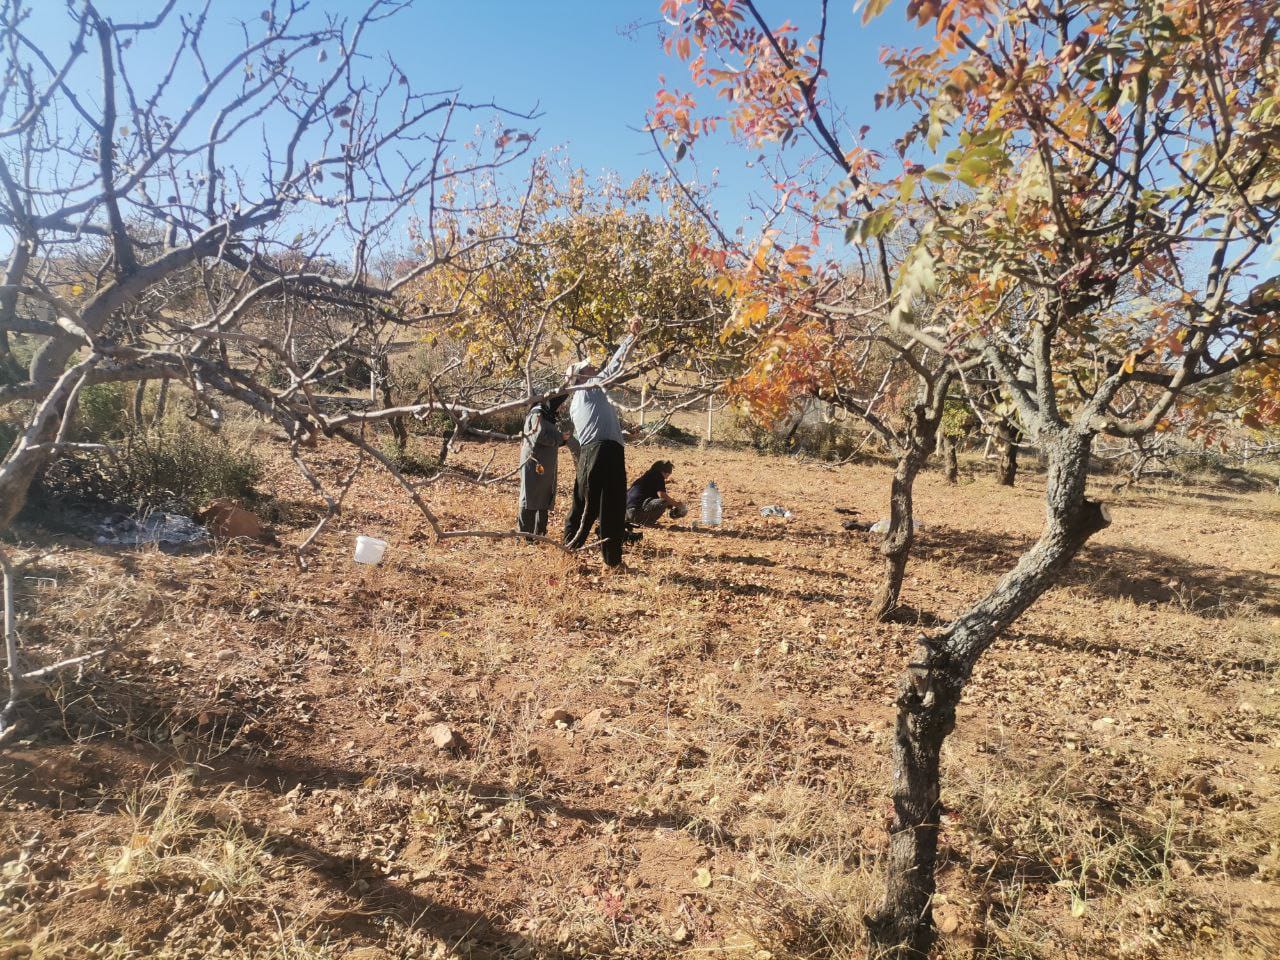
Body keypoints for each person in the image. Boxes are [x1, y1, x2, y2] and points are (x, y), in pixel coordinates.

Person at [562, 317, 642, 567]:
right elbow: (615, 366)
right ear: (579, 377)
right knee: (601, 507)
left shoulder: (587, 399)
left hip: (601, 451)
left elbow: (595, 427)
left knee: (597, 506)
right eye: (587, 368)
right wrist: (632, 337)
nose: (593, 369)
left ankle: (581, 553)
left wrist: (624, 436)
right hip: (601, 453)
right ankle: (586, 556)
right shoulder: (589, 389)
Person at [517, 395, 569, 536]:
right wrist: (559, 438)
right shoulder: (537, 413)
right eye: (561, 404)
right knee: (530, 497)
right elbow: (539, 436)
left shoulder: (547, 414)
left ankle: (539, 534)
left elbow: (547, 433)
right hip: (534, 462)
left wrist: (561, 438)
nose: (563, 407)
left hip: (544, 464)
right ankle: (525, 536)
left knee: (543, 497)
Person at [626, 460, 686, 526]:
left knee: (665, 501)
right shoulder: (658, 476)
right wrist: (677, 504)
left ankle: (638, 519)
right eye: (669, 473)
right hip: (636, 514)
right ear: (664, 472)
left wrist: (670, 506)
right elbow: (662, 495)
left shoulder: (645, 478)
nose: (668, 477)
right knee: (663, 502)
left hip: (627, 514)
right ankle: (646, 522)